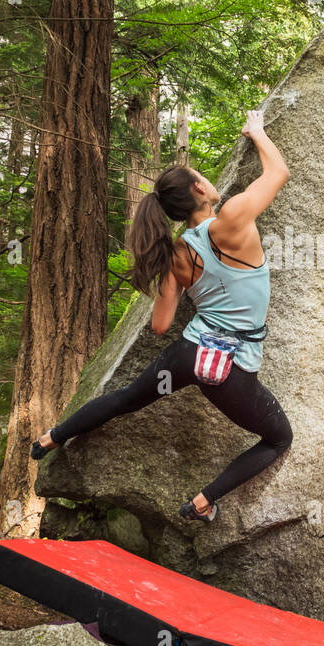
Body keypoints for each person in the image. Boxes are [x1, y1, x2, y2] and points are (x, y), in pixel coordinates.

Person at [30, 109, 293, 522]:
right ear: (199, 188)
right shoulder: (231, 220)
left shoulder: (176, 255)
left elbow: (160, 326)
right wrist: (256, 129)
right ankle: (203, 501)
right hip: (229, 369)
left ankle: (51, 437)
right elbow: (278, 171)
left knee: (124, 400)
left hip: (187, 355)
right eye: (202, 175)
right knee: (279, 438)